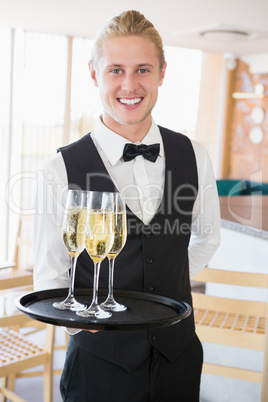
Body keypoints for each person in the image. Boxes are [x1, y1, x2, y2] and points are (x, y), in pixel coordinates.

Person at [34, 10, 221, 402]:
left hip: (179, 359)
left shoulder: (195, 155)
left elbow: (207, 237)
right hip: (99, 369)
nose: (130, 84)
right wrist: (83, 327)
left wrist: (169, 279)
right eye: (116, 70)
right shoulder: (58, 170)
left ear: (162, 73)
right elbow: (51, 275)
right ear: (94, 74)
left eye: (143, 69)